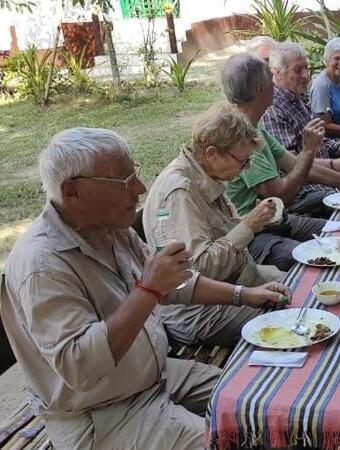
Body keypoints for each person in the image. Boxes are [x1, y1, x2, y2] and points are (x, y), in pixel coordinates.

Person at [0, 127, 290, 449]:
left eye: (134, 175)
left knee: (262, 398)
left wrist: (245, 296)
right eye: (124, 182)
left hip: (156, 373)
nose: (139, 187)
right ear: (72, 191)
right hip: (104, 414)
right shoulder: (41, 265)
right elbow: (80, 365)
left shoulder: (109, 227)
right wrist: (147, 289)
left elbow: (172, 283)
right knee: (233, 442)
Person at [143, 104, 323, 346]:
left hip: (238, 281)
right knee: (299, 320)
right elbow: (197, 270)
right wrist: (248, 226)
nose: (246, 168)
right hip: (200, 310)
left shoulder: (205, 174)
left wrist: (256, 222)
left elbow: (221, 233)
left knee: (309, 285)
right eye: (242, 160)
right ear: (212, 153)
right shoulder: (180, 193)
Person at [221, 53, 340, 219]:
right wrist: (310, 151)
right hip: (267, 226)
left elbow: (295, 164)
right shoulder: (243, 136)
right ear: (260, 89)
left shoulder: (257, 126)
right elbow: (282, 197)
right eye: (270, 79)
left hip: (282, 217)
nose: (306, 75)